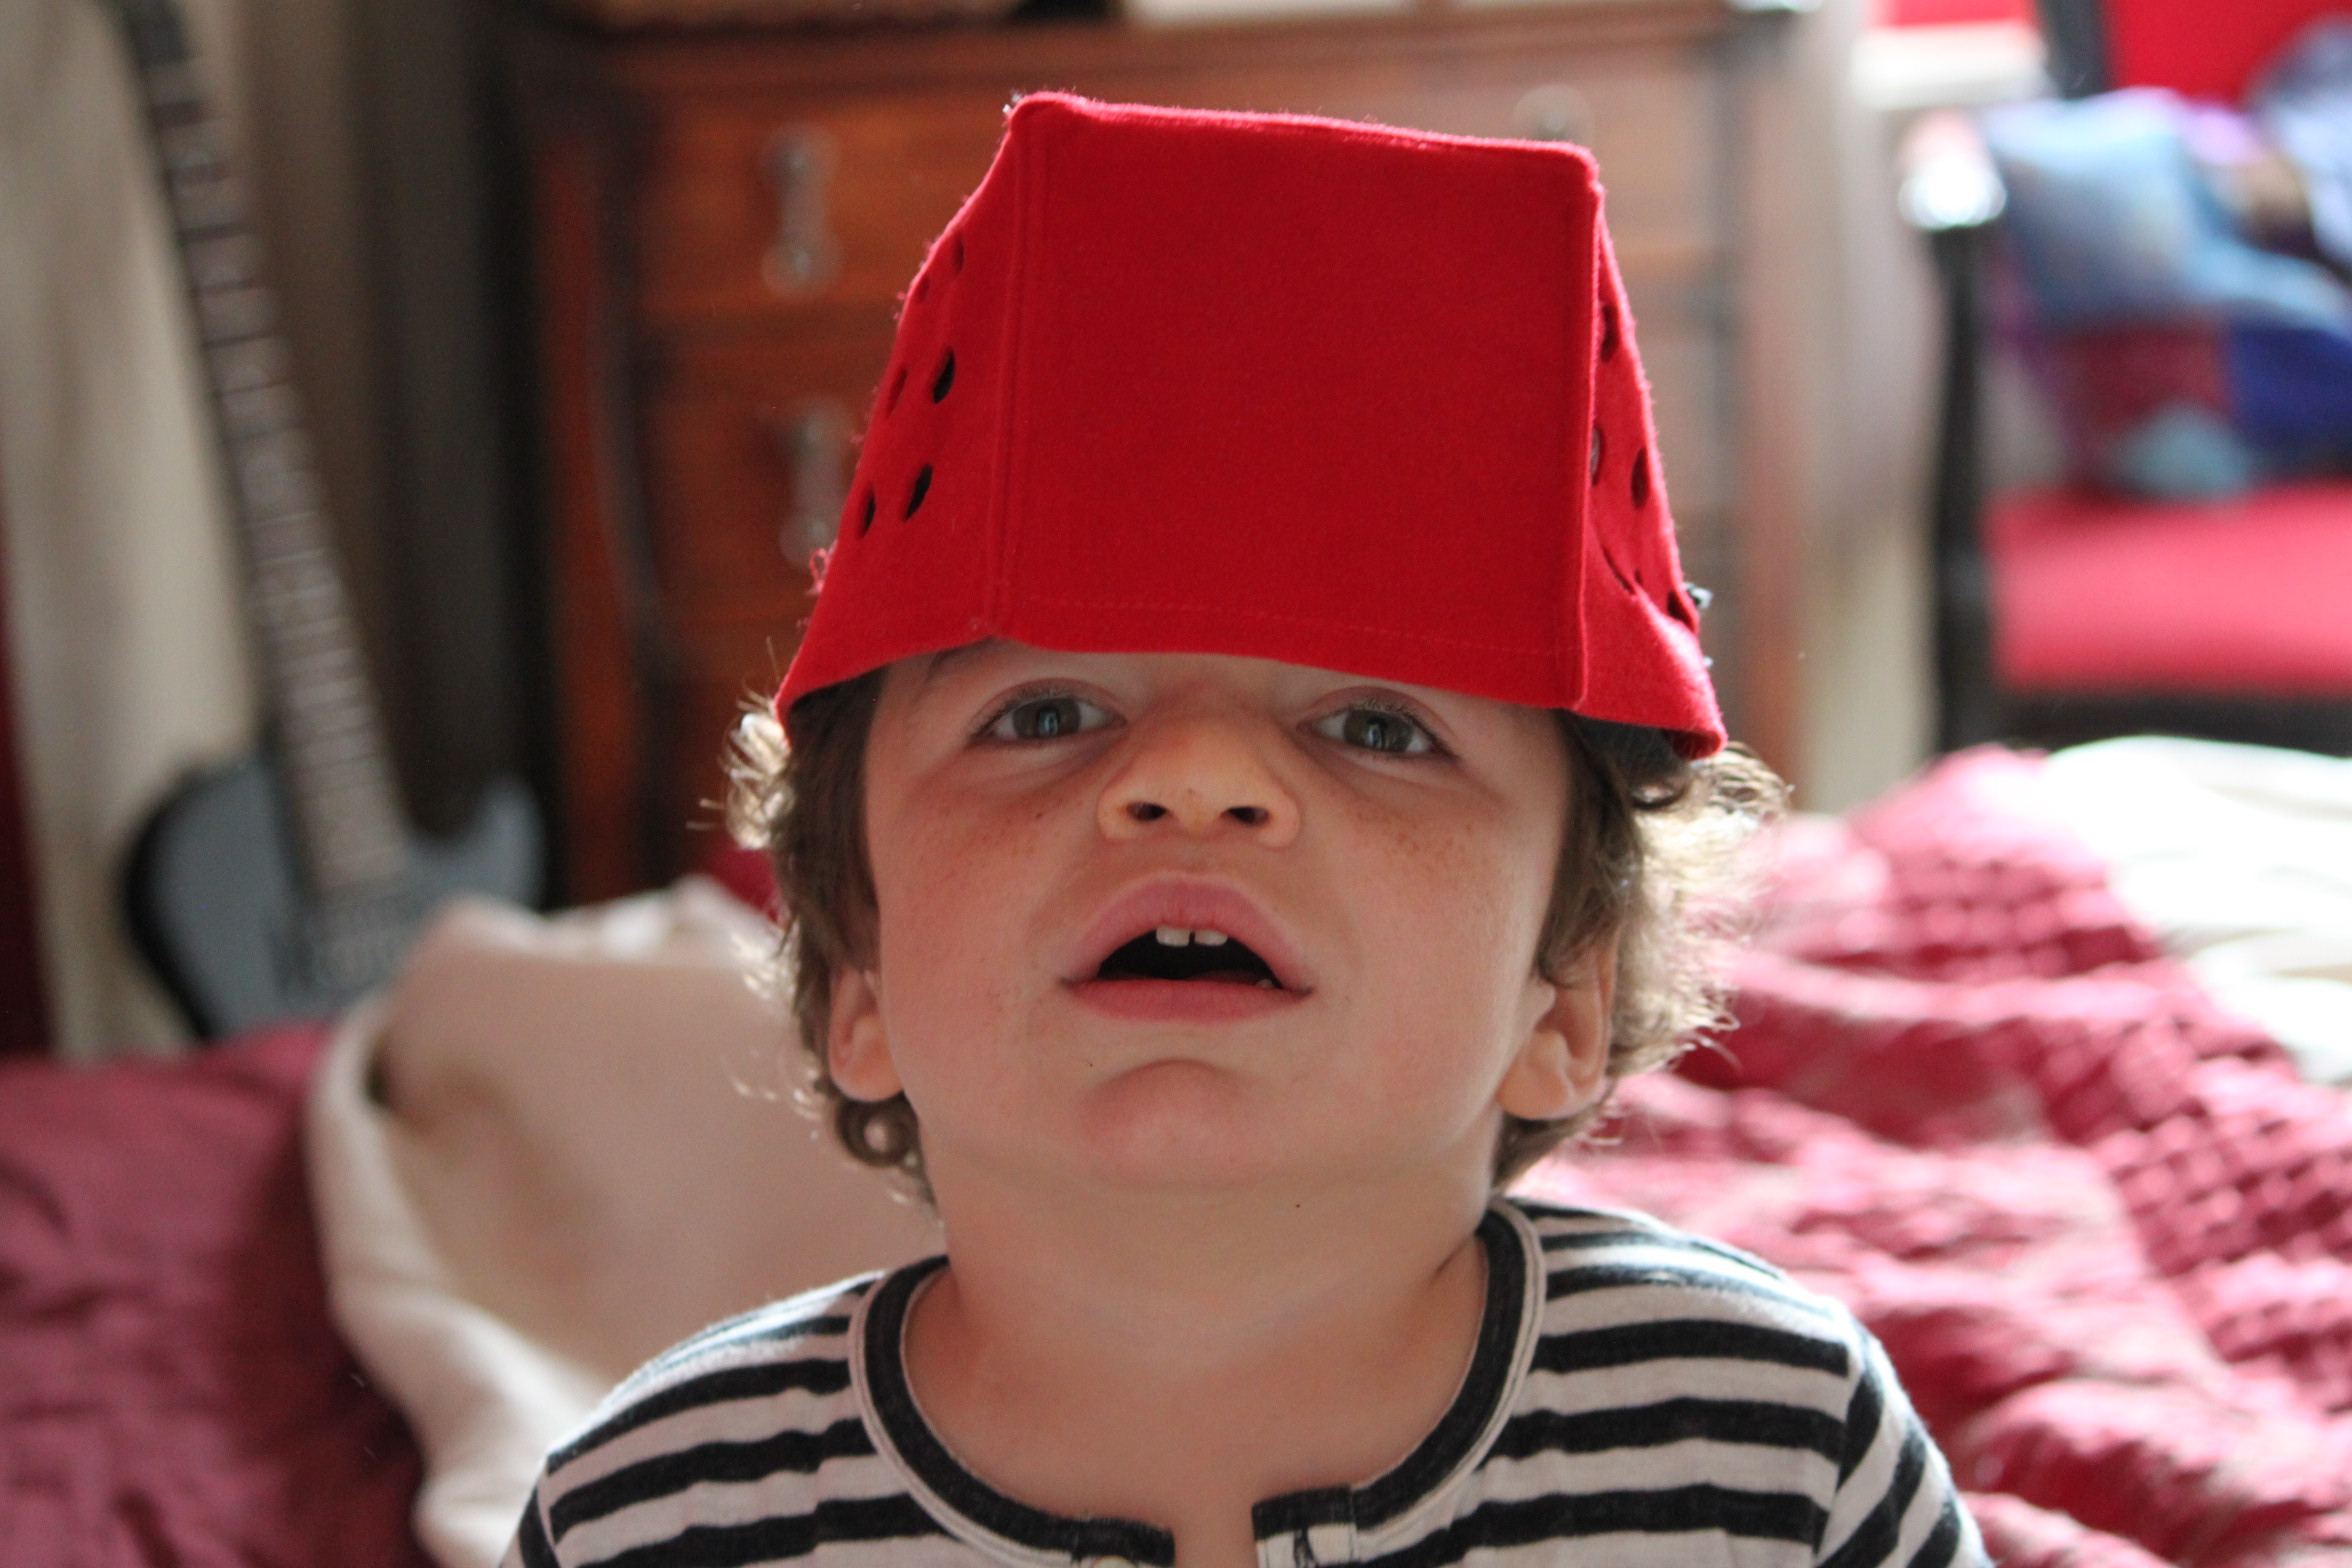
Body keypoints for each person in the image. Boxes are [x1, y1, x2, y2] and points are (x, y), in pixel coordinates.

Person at [503, 93, 1981, 1568]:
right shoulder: (650, 1525)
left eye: (1378, 728)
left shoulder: (1779, 1463)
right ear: (856, 982)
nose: (1198, 779)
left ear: (1571, 991)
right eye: (1043, 715)